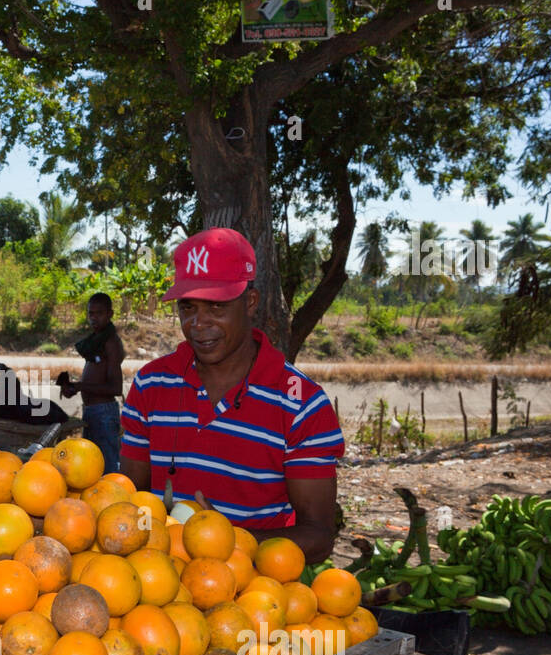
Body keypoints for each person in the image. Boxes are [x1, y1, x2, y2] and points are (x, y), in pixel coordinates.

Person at [120, 229, 345, 562]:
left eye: (216, 306)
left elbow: (318, 537)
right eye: (188, 307)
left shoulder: (301, 404)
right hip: (154, 587)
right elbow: (128, 501)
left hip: (255, 598)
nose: (199, 324)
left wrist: (224, 539)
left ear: (250, 303)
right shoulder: (151, 385)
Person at [57, 292, 124, 472]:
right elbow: (97, 376)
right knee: (92, 468)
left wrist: (79, 386)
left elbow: (116, 387)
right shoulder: (97, 341)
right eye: (91, 314)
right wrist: (73, 387)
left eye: (99, 313)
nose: (94, 318)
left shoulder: (111, 343)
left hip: (104, 414)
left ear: (110, 314)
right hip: (92, 412)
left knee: (108, 468)